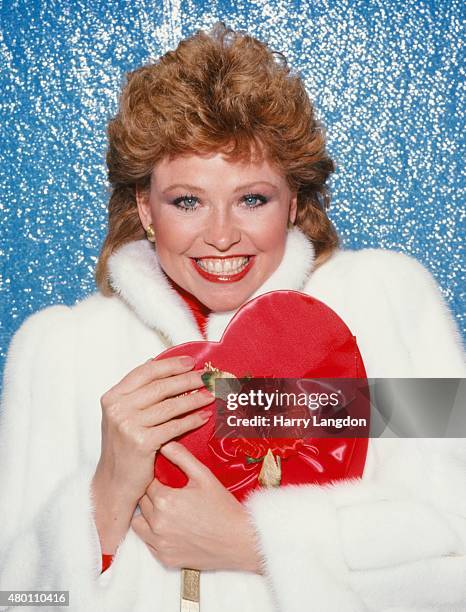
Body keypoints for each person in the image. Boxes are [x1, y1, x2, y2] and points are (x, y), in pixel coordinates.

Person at [0, 22, 465, 612]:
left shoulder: (385, 305)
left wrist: (260, 545)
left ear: (292, 201)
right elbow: (19, 600)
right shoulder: (59, 353)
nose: (221, 236)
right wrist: (106, 496)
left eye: (252, 199)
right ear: (146, 208)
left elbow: (458, 568)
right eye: (187, 201)